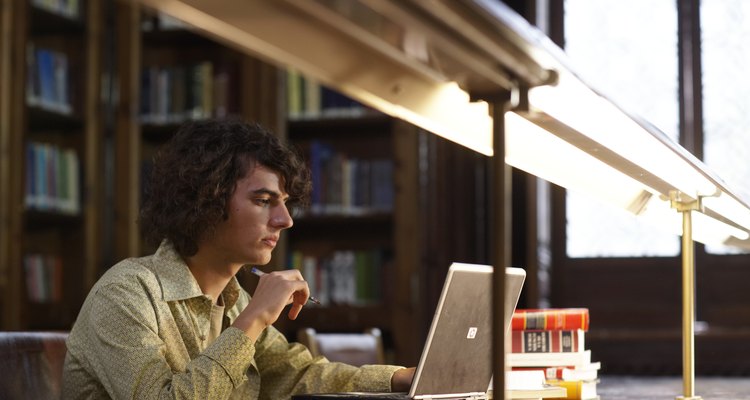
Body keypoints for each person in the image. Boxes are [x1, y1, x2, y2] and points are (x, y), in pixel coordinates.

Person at [62, 118, 415, 399]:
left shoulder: (233, 300)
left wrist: (401, 378)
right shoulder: (124, 293)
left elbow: (299, 377)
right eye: (263, 201)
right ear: (206, 201)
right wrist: (255, 318)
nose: (285, 220)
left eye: (285, 203)